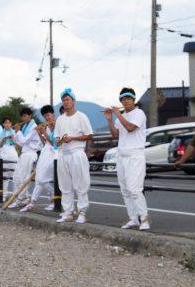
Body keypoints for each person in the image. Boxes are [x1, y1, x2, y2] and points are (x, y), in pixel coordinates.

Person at [104, 87, 150, 231]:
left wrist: (118, 114)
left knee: (134, 189)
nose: (125, 101)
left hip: (135, 155)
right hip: (122, 155)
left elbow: (130, 128)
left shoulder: (139, 113)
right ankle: (133, 219)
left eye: (128, 99)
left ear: (133, 100)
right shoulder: (121, 116)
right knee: (125, 190)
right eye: (123, 99)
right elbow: (115, 135)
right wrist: (110, 119)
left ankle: (144, 219)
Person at [53, 88, 93, 223]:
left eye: (68, 100)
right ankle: (68, 212)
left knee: (81, 184)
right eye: (63, 100)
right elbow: (56, 139)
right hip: (63, 154)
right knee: (65, 185)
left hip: (77, 153)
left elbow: (89, 135)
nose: (65, 102)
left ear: (73, 101)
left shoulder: (81, 116)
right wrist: (58, 141)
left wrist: (73, 138)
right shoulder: (59, 119)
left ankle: (82, 212)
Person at [24, 104, 58, 212]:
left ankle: (39, 201)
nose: (47, 118)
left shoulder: (58, 123)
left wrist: (43, 131)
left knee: (43, 178)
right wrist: (40, 132)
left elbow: (54, 143)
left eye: (48, 115)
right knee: (39, 178)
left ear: (53, 113)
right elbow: (45, 142)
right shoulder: (47, 125)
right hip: (45, 152)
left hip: (54, 153)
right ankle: (46, 200)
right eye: (45, 116)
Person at [8, 106, 42, 209]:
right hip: (24, 153)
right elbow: (21, 143)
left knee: (24, 177)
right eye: (22, 116)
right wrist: (13, 135)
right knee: (17, 176)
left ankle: (20, 199)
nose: (24, 118)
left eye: (25, 116)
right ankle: (25, 198)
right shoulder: (25, 127)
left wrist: (18, 131)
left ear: (30, 116)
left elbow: (24, 141)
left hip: (31, 153)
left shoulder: (33, 127)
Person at [0, 117, 18, 192]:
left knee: (14, 175)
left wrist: (13, 140)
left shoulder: (15, 132)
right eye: (5, 123)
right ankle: (4, 195)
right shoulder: (0, 133)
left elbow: (19, 145)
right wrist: (3, 140)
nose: (7, 124)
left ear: (11, 123)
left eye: (9, 122)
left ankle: (15, 195)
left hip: (13, 154)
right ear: (3, 124)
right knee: (4, 176)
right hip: (3, 154)